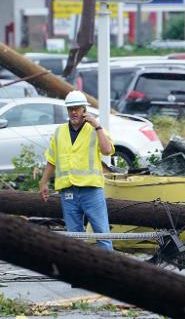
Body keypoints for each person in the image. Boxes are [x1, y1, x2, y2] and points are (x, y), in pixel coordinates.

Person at [39, 90, 115, 250]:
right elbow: (52, 159)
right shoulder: (60, 131)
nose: (74, 112)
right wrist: (44, 181)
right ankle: (80, 272)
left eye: (77, 108)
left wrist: (98, 126)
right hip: (68, 192)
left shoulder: (94, 130)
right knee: (75, 238)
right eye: (70, 109)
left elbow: (107, 150)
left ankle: (109, 272)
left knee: (102, 235)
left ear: (84, 110)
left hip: (91, 191)